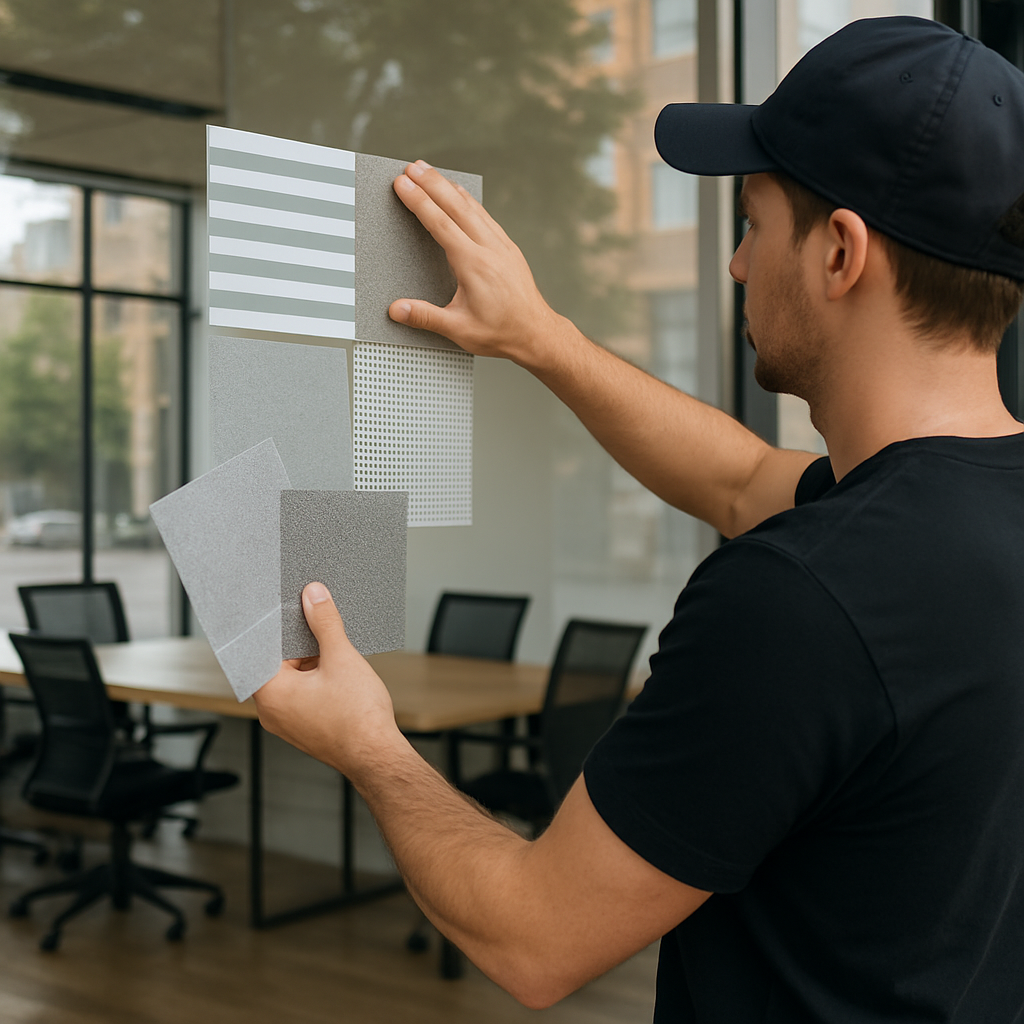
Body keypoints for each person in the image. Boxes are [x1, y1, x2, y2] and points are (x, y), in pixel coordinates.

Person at [253, 17, 1024, 1022]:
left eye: (753, 223)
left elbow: (533, 937)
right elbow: (742, 476)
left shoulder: (802, 598)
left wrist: (369, 744)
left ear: (839, 252)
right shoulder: (948, 519)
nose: (740, 265)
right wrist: (540, 339)